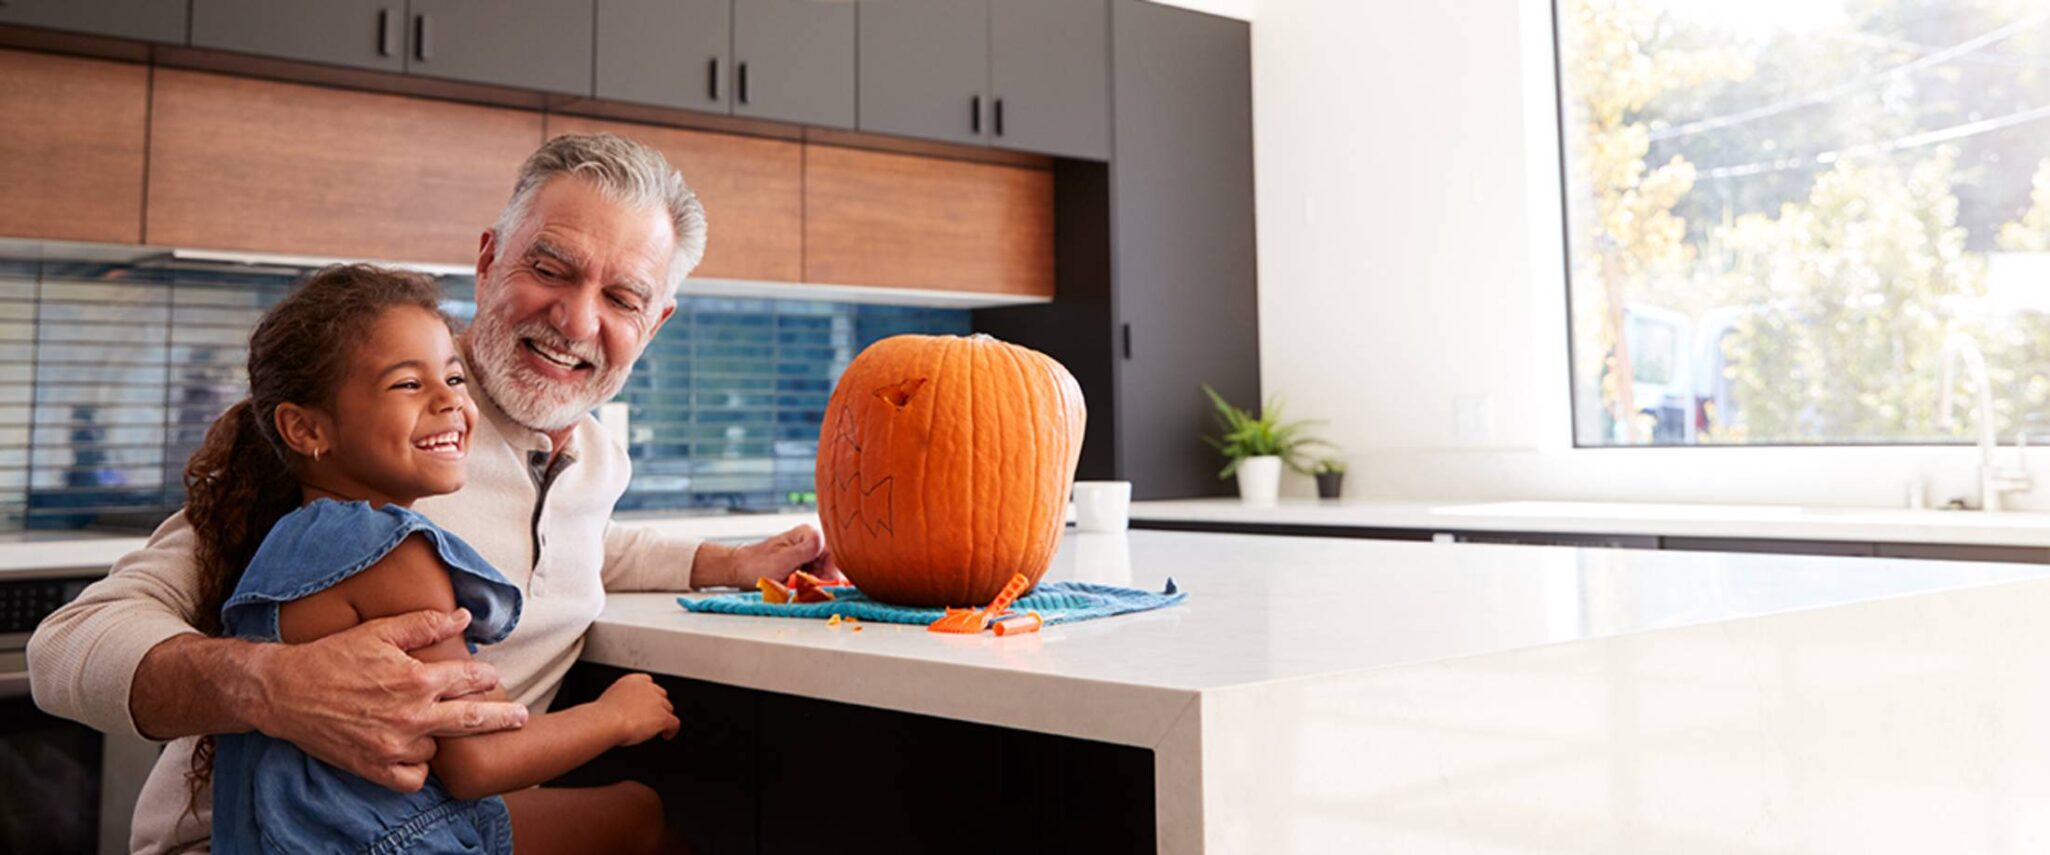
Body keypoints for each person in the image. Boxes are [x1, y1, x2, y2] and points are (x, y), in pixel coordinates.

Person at [27, 133, 833, 852]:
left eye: (622, 297)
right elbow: (67, 647)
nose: (577, 318)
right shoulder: (373, 438)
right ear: (487, 261)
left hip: (434, 818)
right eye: (550, 268)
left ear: (654, 323)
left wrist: (728, 561)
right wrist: (273, 686)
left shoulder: (595, 457)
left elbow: (570, 544)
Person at [190, 265, 679, 853]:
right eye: (407, 385)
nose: (449, 402)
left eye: (453, 377)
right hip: (385, 840)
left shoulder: (291, 540)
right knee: (640, 809)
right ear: (305, 428)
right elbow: (479, 762)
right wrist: (617, 715)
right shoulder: (390, 550)